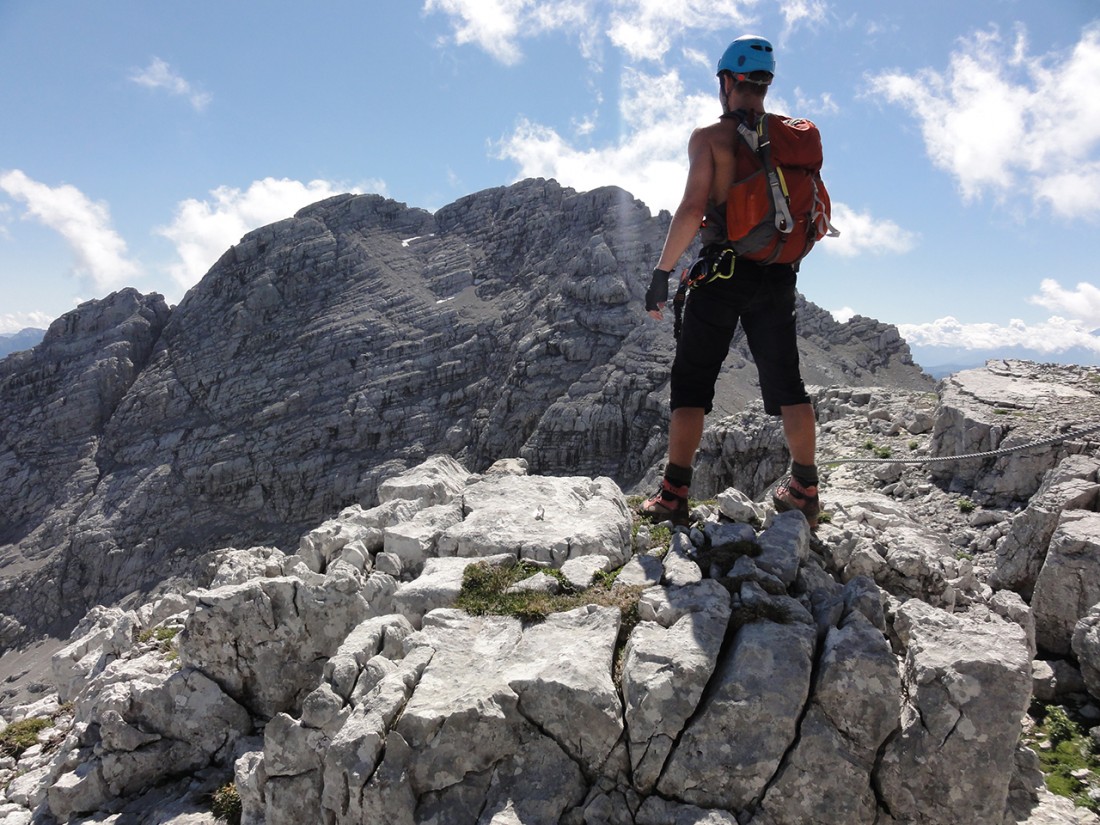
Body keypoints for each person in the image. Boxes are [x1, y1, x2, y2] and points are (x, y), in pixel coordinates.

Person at [640, 34, 820, 528]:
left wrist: (662, 273)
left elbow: (693, 208)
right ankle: (805, 488)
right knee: (788, 383)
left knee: (692, 384)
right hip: (779, 274)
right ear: (764, 85)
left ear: (726, 83)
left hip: (722, 274)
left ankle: (674, 496)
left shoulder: (711, 139)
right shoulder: (792, 137)